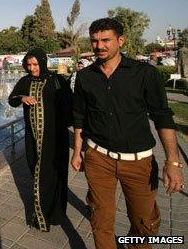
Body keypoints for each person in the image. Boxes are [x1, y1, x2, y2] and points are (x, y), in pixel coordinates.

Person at [71, 18, 184, 249]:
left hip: (139, 162)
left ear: (121, 40)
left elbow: (162, 116)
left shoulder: (144, 74)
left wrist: (173, 161)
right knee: (100, 218)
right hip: (98, 159)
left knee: (144, 224)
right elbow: (80, 117)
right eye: (94, 41)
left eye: (105, 40)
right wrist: (77, 152)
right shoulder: (85, 77)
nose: (99, 46)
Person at [8, 48, 72, 232]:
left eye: (35, 64)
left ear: (43, 62)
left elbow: (70, 105)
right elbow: (11, 100)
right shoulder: (25, 81)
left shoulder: (56, 80)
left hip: (55, 139)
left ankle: (50, 214)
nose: (32, 68)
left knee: (53, 174)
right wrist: (22, 97)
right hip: (33, 139)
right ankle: (44, 211)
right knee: (37, 172)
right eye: (28, 65)